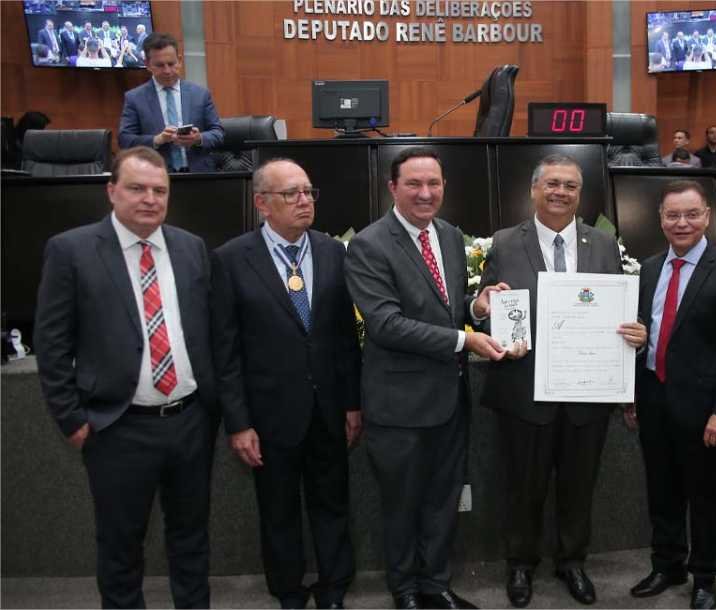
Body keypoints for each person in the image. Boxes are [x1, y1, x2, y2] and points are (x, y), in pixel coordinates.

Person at [33, 146, 217, 609]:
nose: (149, 199)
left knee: (192, 541)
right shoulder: (70, 251)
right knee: (121, 549)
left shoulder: (191, 247)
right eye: (137, 188)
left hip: (190, 422)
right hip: (116, 426)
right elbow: (52, 345)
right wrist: (72, 420)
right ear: (111, 190)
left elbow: (207, 331)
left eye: (160, 190)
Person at [475, 154, 647, 608]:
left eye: (570, 186)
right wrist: (481, 306)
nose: (560, 193)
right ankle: (520, 564)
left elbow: (618, 309)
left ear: (580, 194)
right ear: (533, 190)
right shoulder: (505, 242)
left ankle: (572, 562)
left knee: (579, 485)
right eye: (551, 184)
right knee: (522, 486)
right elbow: (483, 302)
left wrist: (636, 330)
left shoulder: (604, 245)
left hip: (586, 392)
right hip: (523, 389)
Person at [345, 146, 507, 610]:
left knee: (442, 501)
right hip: (398, 406)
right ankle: (406, 591)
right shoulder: (370, 245)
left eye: (433, 183)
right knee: (402, 505)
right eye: (413, 184)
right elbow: (387, 324)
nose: (425, 193)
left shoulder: (452, 237)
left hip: (448, 400)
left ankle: (435, 585)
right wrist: (466, 340)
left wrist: (477, 308)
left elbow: (448, 308)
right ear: (392, 187)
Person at [211, 158, 361, 610]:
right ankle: (289, 592)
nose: (304, 201)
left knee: (332, 503)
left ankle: (334, 588)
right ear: (261, 203)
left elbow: (344, 339)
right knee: (278, 512)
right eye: (291, 193)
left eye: (309, 192)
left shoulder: (334, 252)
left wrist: (353, 403)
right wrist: (238, 423)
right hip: (269, 414)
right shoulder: (232, 260)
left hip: (330, 408)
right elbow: (225, 350)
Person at [626, 180, 716, 610]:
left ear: (707, 216)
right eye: (672, 215)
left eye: (691, 214)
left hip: (704, 410)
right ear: (660, 219)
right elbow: (640, 336)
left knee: (703, 494)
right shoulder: (646, 269)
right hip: (653, 398)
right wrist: (629, 395)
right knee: (660, 489)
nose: (681, 223)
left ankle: (705, 575)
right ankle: (667, 565)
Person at [118, 32, 223, 173]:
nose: (167, 71)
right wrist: (157, 140)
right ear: (147, 65)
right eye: (160, 65)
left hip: (198, 176)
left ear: (179, 61)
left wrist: (198, 138)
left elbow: (218, 133)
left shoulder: (200, 94)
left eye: (171, 64)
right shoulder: (135, 98)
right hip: (154, 176)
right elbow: (125, 140)